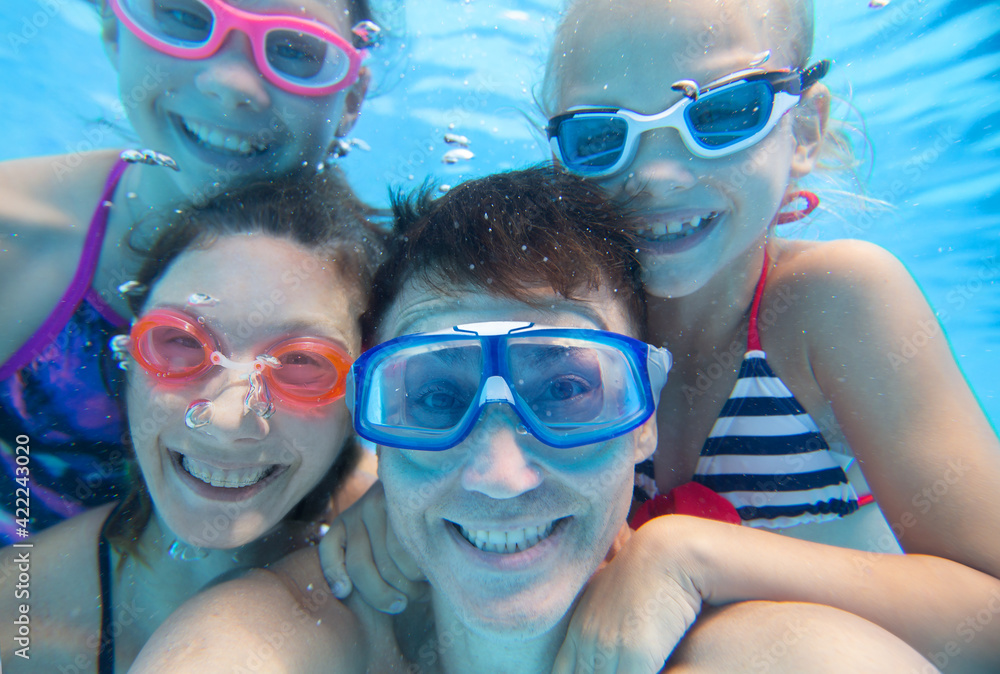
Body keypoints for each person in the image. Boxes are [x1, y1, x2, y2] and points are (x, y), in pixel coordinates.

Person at [128, 165, 935, 673]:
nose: (498, 475)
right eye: (435, 399)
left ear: (646, 414)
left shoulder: (788, 656)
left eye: (567, 394)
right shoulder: (255, 649)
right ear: (373, 429)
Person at [0, 0, 380, 543]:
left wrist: (373, 512)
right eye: (183, 15)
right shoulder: (11, 239)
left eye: (295, 49)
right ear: (114, 27)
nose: (231, 84)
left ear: (353, 97)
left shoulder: (372, 288)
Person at [0, 174, 382, 673]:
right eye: (180, 344)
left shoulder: (423, 547)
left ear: (361, 400)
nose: (225, 420)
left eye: (302, 365)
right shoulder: (19, 626)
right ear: (128, 361)